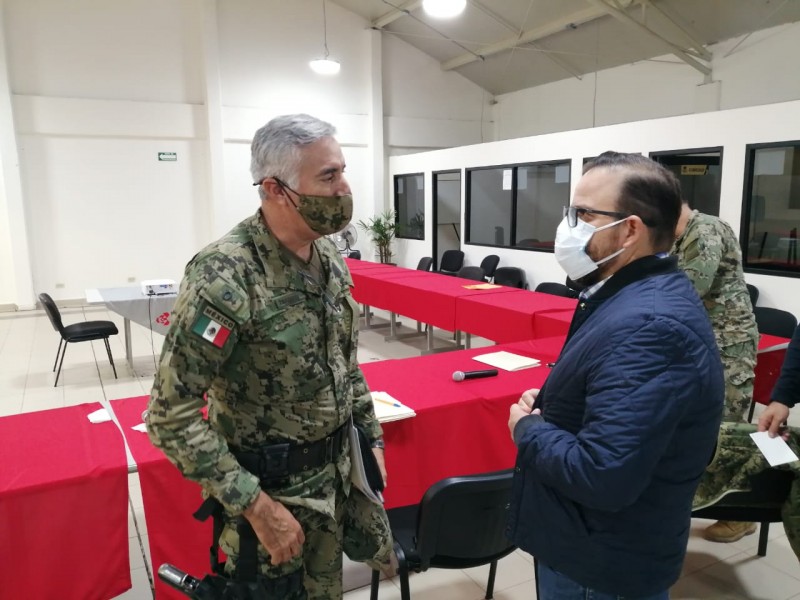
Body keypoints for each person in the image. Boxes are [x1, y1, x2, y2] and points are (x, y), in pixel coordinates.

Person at [146, 113, 392, 598]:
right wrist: (256, 506)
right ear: (275, 189)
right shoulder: (225, 276)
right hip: (271, 504)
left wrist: (371, 440)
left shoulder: (330, 260)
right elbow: (169, 416)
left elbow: (345, 365)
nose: (344, 188)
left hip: (336, 488)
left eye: (342, 171)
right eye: (328, 176)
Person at [507, 151, 724, 599]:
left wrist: (528, 430)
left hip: (599, 562)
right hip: (589, 543)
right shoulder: (620, 295)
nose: (569, 227)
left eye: (583, 214)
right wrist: (553, 407)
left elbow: (602, 474)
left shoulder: (650, 327)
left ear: (630, 230)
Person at [671, 199, 760, 543]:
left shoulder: (704, 230)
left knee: (728, 429)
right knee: (703, 424)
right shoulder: (683, 235)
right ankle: (706, 498)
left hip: (729, 344)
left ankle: (739, 513)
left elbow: (690, 289)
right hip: (705, 340)